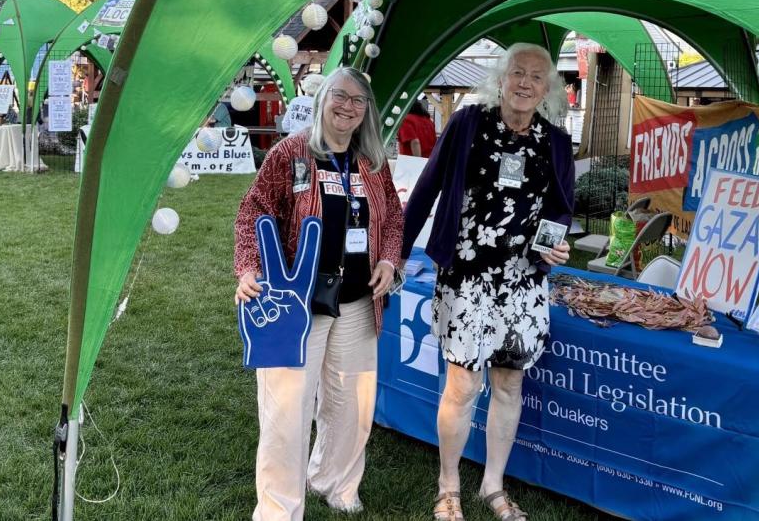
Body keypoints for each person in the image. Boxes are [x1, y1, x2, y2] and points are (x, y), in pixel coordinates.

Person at [402, 43, 575, 521]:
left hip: (522, 284)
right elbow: (427, 187)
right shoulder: (467, 123)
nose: (524, 83)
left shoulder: (556, 142)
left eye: (536, 77)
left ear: (547, 90)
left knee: (509, 383)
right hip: (467, 276)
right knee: (462, 384)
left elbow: (562, 208)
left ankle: (492, 486)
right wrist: (395, 253)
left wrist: (553, 247)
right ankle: (448, 486)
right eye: (516, 72)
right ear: (500, 79)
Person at [234, 66, 404, 518]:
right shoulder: (290, 153)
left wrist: (389, 261)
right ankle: (278, 508)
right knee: (286, 412)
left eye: (358, 101)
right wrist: (248, 268)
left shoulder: (372, 161)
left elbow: (394, 220)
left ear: (367, 111)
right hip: (295, 305)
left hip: (358, 303)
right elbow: (253, 211)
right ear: (324, 98)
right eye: (340, 96)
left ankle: (336, 484)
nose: (348, 107)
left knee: (352, 404)